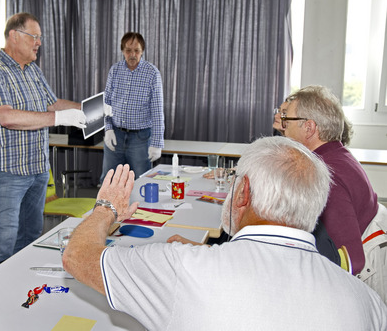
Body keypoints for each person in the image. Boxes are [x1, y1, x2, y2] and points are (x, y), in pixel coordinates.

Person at [63, 137, 387, 330]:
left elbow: (77, 256)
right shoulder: (368, 304)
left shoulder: (184, 269)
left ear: (243, 191)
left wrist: (107, 208)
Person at [0, 12, 86, 274]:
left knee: (29, 237)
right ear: (14, 36)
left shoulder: (33, 71)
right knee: (3, 242)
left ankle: (14, 290)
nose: (39, 42)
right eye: (34, 37)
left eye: (40, 38)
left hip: (38, 170)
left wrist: (88, 108)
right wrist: (59, 117)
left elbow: (52, 104)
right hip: (9, 173)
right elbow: (6, 117)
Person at [273, 85, 378, 275]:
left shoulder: (327, 175)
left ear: (309, 128)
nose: (283, 126)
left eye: (287, 119)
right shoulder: (338, 155)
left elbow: (351, 260)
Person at [101, 32, 164, 181]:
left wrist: (157, 143)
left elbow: (157, 111)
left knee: (141, 181)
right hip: (115, 134)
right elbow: (106, 103)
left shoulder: (152, 73)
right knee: (109, 180)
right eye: (128, 50)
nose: (132, 54)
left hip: (140, 138)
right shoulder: (115, 71)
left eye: (136, 50)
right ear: (123, 51)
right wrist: (108, 129)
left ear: (142, 51)